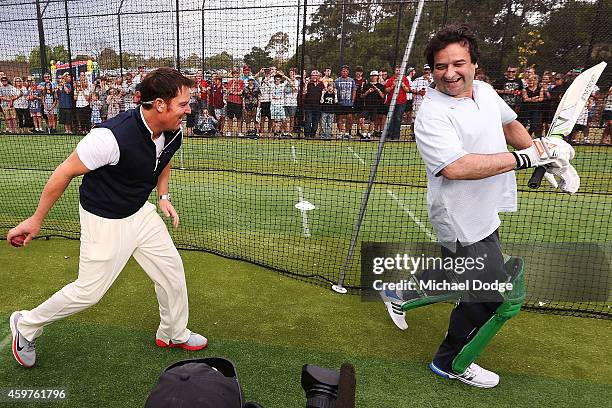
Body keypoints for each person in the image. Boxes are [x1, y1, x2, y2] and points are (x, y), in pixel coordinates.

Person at [381, 24, 577, 389]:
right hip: (458, 215)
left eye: (458, 63)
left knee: (460, 270)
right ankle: (451, 362)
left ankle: (399, 292)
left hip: (486, 207)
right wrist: (528, 158)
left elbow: (511, 124)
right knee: (487, 294)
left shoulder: (485, 92)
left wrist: (547, 158)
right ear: (432, 70)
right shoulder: (431, 113)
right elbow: (456, 167)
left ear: (475, 64)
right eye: (441, 66)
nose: (450, 73)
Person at [7, 67, 208, 369]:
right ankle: (25, 324)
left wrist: (163, 197)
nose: (188, 110)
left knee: (172, 273)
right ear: (160, 104)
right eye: (182, 104)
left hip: (141, 212)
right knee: (89, 293)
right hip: (104, 218)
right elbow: (64, 172)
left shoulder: (173, 130)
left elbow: (164, 159)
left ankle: (173, 332)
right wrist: (36, 220)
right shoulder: (109, 137)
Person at [384, 65, 411, 140]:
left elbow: (407, 90)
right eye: (397, 70)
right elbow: (386, 90)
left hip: (401, 102)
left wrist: (401, 83)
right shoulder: (390, 79)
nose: (398, 72)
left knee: (398, 118)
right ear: (394, 71)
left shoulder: (405, 79)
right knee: (390, 119)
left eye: (399, 70)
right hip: (391, 102)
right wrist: (393, 85)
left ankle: (396, 136)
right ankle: (389, 135)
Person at [361, 70, 386, 139]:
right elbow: (362, 96)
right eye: (372, 76)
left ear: (377, 77)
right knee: (361, 119)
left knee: (372, 121)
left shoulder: (380, 86)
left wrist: (377, 90)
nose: (373, 77)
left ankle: (369, 134)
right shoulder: (366, 85)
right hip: (366, 106)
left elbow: (383, 96)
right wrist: (368, 91)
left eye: (375, 76)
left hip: (375, 106)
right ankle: (364, 134)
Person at [334, 65, 356, 139]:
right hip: (340, 103)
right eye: (343, 71)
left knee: (349, 117)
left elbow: (354, 90)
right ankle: (340, 133)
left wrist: (352, 101)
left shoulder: (351, 80)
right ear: (341, 72)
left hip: (349, 103)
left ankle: (347, 132)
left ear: (348, 72)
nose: (344, 72)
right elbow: (334, 91)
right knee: (339, 118)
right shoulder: (337, 81)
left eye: (346, 71)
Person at [302, 70, 324, 138]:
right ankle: (307, 135)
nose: (314, 76)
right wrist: (305, 83)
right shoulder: (307, 84)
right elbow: (304, 93)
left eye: (316, 75)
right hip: (308, 106)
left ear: (318, 76)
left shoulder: (321, 84)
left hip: (318, 107)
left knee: (315, 122)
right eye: (313, 75)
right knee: (308, 121)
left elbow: (324, 93)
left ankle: (313, 134)